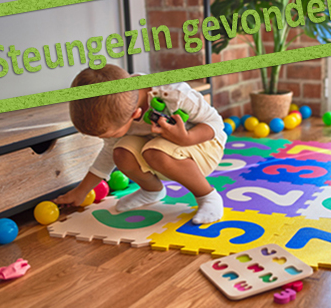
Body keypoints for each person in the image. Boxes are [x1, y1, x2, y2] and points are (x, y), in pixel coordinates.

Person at [54, 64, 227, 224]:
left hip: (205, 146)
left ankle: (208, 196)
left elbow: (216, 123)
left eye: (112, 134)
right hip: (158, 149)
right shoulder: (119, 106)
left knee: (153, 152)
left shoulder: (174, 94)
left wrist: (186, 138)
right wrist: (81, 191)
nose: (105, 139)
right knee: (120, 153)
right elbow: (108, 154)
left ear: (135, 114)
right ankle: (151, 191)